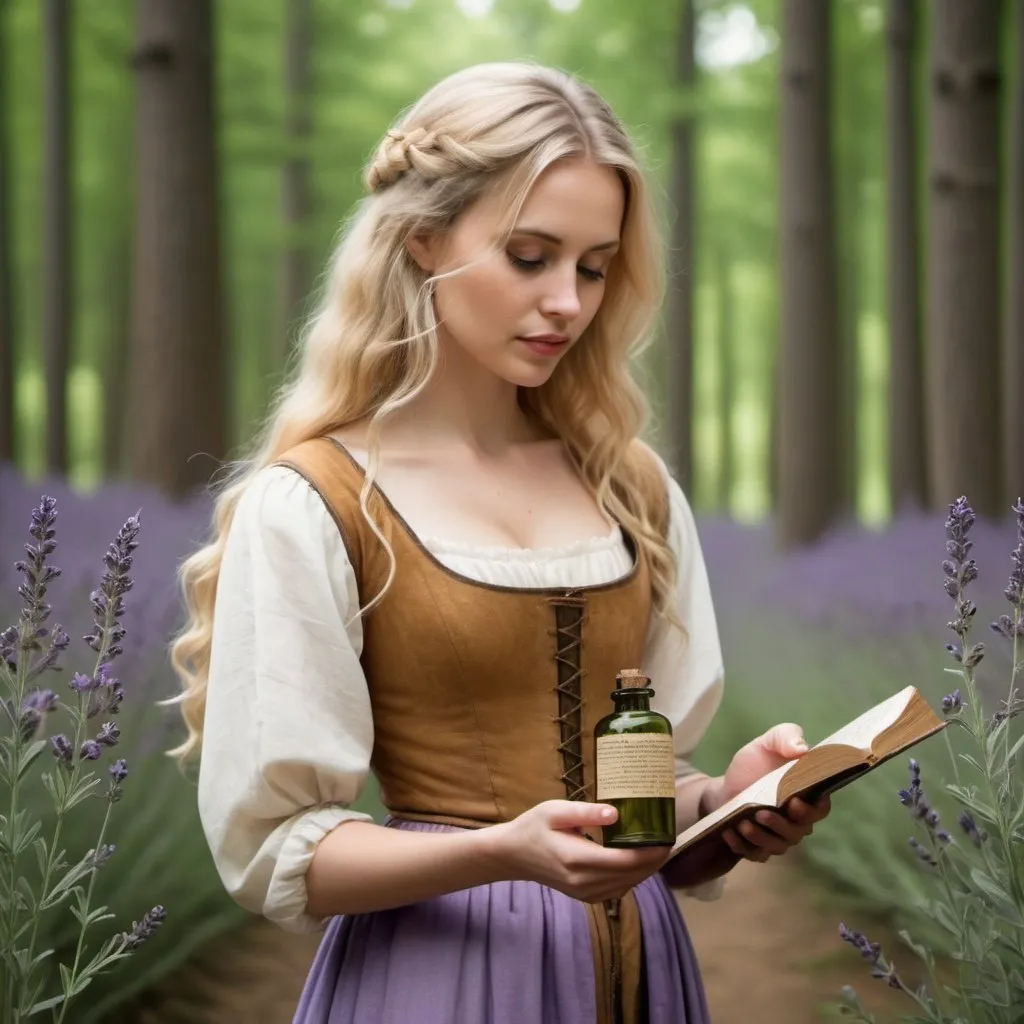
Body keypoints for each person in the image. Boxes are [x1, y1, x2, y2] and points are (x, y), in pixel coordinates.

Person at [169, 61, 830, 1024]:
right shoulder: (318, 502)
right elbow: (280, 851)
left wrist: (725, 806)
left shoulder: (629, 489)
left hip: (643, 978)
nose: (568, 300)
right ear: (425, 239)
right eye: (530, 255)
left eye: (594, 266)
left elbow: (644, 824)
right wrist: (499, 851)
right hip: (435, 980)